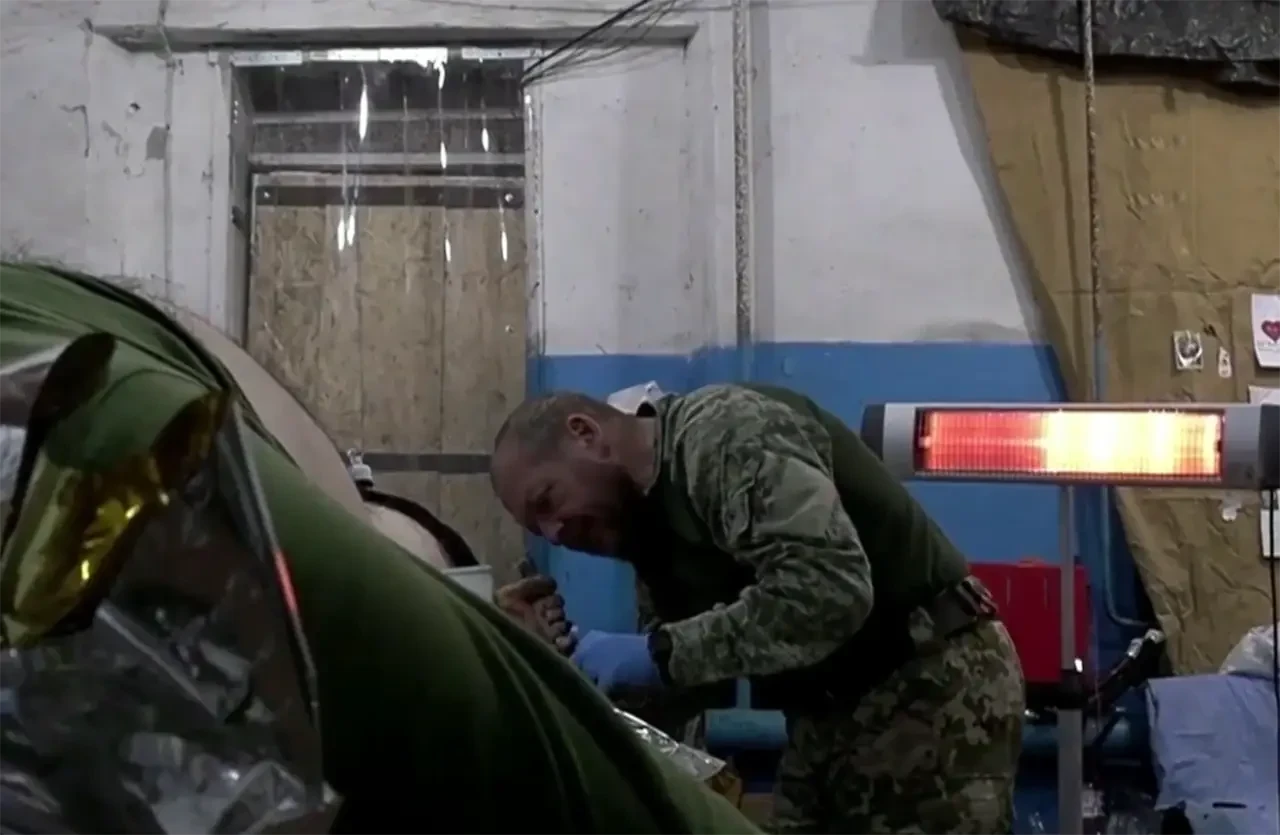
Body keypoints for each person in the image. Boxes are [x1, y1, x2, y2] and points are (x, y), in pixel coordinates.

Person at [0, 262, 764, 835]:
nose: (559, 532)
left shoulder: (718, 447)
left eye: (547, 503)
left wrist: (641, 659)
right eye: (540, 517)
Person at [489, 384, 1026, 834]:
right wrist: (550, 664)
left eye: (547, 501)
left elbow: (829, 589)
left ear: (586, 433)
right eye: (539, 528)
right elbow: (690, 682)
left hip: (928, 684)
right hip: (827, 715)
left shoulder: (722, 436)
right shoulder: (646, 526)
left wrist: (658, 653)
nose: (555, 533)